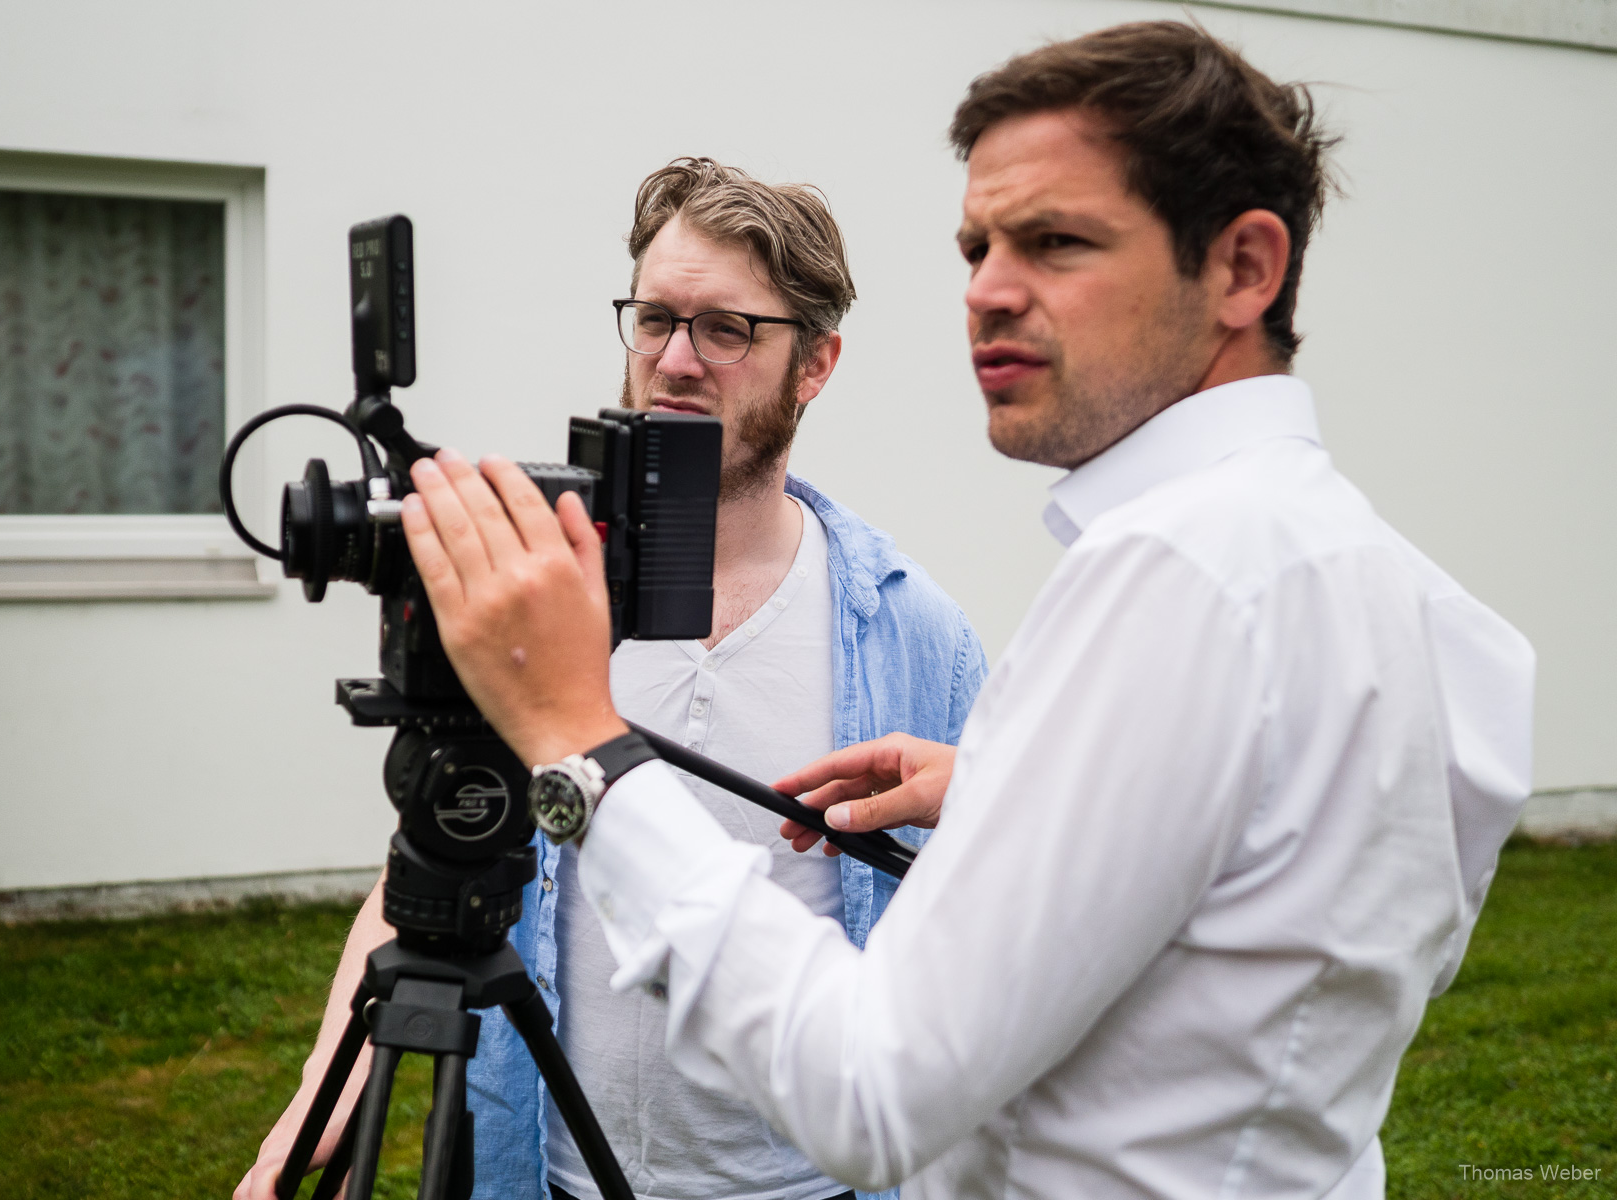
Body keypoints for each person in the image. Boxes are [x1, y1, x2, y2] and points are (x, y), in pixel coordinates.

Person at [385, 20, 1537, 1200]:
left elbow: (874, 1094)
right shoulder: (1416, 601)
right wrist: (1013, 796)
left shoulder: (1177, 577)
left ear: (1244, 268)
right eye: (978, 245)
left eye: (1055, 242)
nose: (987, 292)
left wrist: (581, 737)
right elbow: (1303, 913)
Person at [235, 159, 987, 1200]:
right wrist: (319, 1098)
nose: (677, 359)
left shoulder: (913, 635)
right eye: (655, 319)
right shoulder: (539, 596)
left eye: (727, 328)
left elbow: (986, 932)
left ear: (814, 365)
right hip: (544, 1177)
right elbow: (440, 845)